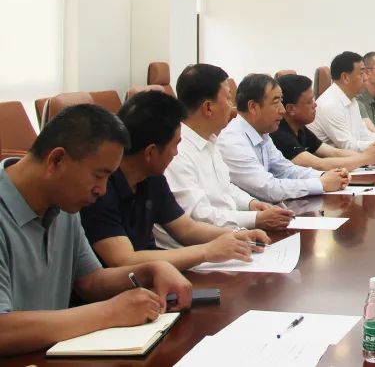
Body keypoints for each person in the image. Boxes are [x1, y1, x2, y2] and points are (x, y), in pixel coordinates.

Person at [0, 104, 192, 356]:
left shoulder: (63, 204)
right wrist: (109, 312)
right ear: (57, 160)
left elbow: (90, 281)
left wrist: (150, 270)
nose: (102, 190)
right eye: (99, 175)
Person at [80, 91, 271, 270]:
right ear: (151, 152)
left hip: (153, 277)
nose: (177, 153)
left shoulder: (152, 177)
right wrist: (206, 252)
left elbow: (186, 229)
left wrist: (236, 235)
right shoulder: (100, 188)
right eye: (175, 145)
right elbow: (123, 259)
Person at [159, 64, 293, 249]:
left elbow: (224, 187)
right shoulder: (177, 152)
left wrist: (251, 203)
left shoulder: (210, 139)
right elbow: (199, 216)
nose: (232, 108)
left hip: (229, 237)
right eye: (228, 99)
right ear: (208, 107)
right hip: (198, 251)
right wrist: (255, 219)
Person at [218, 74, 348, 202]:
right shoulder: (232, 142)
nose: (282, 110)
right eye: (276, 102)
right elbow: (268, 189)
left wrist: (327, 176)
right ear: (253, 107)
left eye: (281, 101)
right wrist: (321, 183)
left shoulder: (263, 134)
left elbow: (286, 170)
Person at [272, 73, 375, 171]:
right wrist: (365, 159)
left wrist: (371, 156)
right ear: (291, 109)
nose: (315, 105)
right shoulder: (279, 134)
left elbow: (334, 153)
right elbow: (319, 164)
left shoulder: (300, 128)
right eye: (309, 102)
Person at [309, 51, 375, 151]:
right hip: (331, 161)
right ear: (345, 77)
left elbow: (364, 135)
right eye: (362, 73)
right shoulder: (330, 104)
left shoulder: (352, 100)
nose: (366, 78)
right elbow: (347, 146)